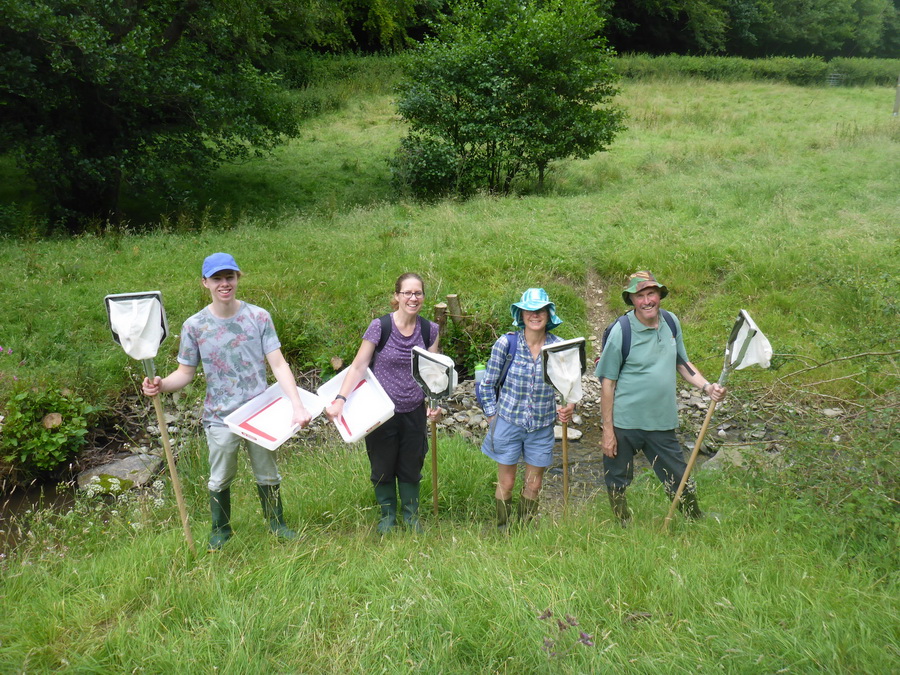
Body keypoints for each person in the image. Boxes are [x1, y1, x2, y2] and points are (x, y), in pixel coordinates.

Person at [142, 252, 311, 550]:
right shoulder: (195, 326)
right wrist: (161, 384)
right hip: (220, 416)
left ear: (237, 279)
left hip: (260, 412)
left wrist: (297, 404)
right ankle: (220, 530)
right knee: (220, 477)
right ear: (205, 283)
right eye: (217, 278)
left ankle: (277, 524)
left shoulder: (259, 317)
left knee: (267, 472)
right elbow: (185, 372)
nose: (224, 284)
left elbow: (279, 364)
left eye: (229, 277)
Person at [594, 271, 726, 527]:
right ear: (632, 300)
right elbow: (607, 382)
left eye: (650, 294)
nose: (646, 301)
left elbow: (682, 361)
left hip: (661, 421)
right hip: (625, 421)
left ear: (659, 295)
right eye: (640, 296)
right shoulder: (621, 331)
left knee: (678, 475)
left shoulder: (671, 322)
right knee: (617, 477)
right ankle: (623, 523)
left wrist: (707, 387)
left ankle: (694, 519)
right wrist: (607, 430)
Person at [324, 273, 441, 534]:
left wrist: (435, 402)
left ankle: (411, 517)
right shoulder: (380, 327)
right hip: (380, 410)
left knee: (412, 464)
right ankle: (387, 516)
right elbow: (359, 366)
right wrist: (340, 400)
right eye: (407, 293)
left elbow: (434, 373)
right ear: (397, 296)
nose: (413, 298)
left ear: (423, 296)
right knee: (382, 464)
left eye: (418, 293)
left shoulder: (429, 329)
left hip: (414, 409)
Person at [479, 288, 575, 531]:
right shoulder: (506, 343)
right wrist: (492, 417)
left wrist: (569, 406)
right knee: (507, 482)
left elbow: (570, 387)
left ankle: (522, 530)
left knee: (534, 484)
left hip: (542, 427)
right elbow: (487, 384)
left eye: (540, 310)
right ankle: (503, 530)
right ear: (520, 315)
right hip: (507, 422)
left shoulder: (559, 347)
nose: (535, 315)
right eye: (529, 311)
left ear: (548, 314)